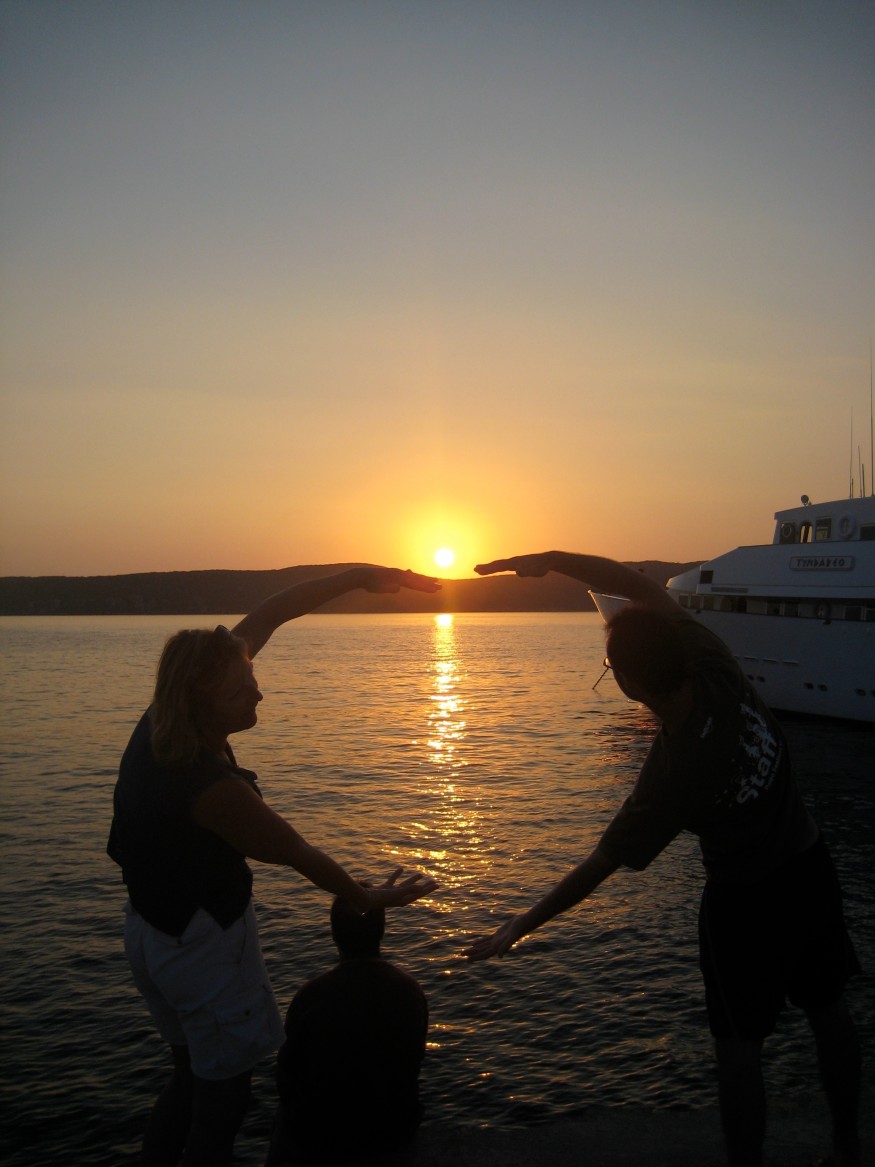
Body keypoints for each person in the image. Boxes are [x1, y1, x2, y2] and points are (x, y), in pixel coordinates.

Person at [465, 551, 861, 1167]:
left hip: (743, 901)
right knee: (828, 1008)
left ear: (629, 683)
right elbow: (632, 583)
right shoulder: (712, 662)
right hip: (810, 864)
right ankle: (847, 1147)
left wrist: (520, 923)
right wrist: (552, 560)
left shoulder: (669, 782)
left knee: (738, 1049)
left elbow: (599, 864)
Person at [107, 566, 440, 1167]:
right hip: (201, 946)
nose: (258, 695)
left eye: (252, 681)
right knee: (222, 1103)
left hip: (151, 930)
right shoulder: (210, 788)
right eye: (241, 693)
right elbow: (298, 852)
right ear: (203, 703)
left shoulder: (165, 718)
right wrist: (368, 898)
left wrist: (360, 577)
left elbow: (274, 612)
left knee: (187, 1079)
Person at [266, 886, 428, 1166]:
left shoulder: (311, 996)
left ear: (334, 933)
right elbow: (412, 1063)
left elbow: (287, 1074)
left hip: (320, 1134)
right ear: (382, 931)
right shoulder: (409, 991)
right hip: (391, 1129)